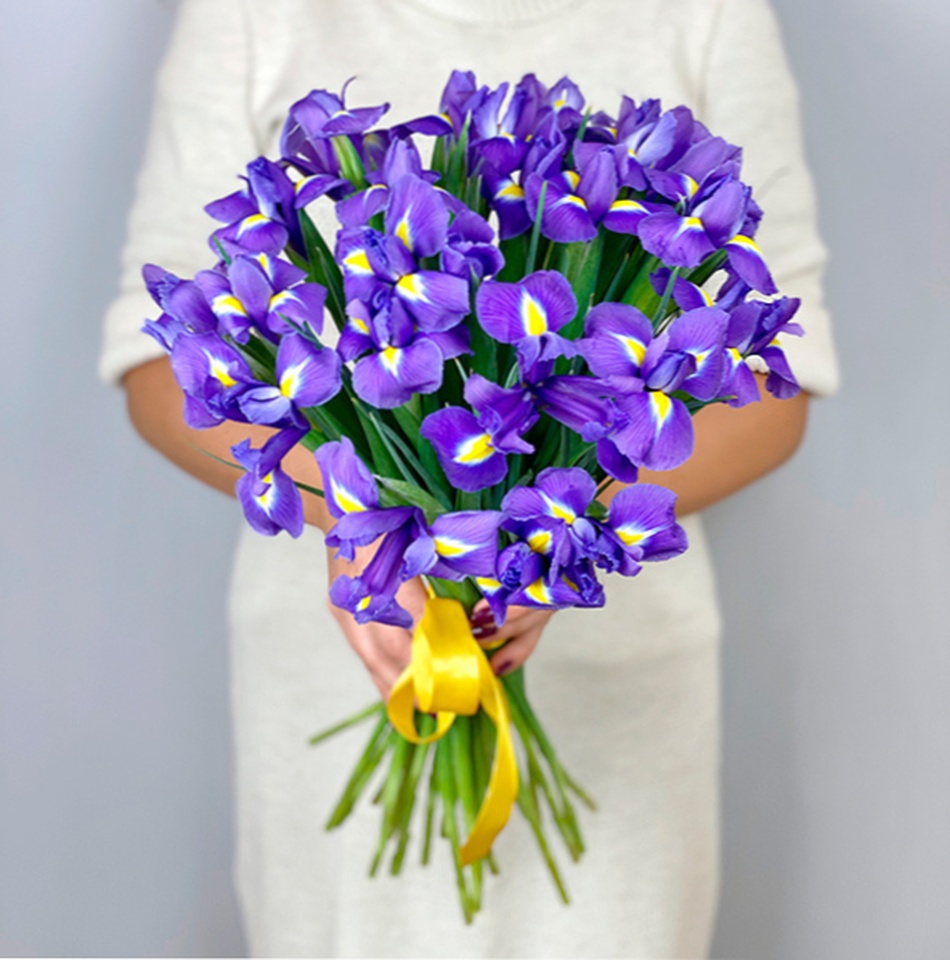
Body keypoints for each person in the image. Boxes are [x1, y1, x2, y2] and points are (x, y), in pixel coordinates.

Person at [101, 0, 840, 955]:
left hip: (622, 690)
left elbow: (780, 380)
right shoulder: (249, 13)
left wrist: (556, 535)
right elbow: (162, 356)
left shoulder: (709, 13)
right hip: (341, 658)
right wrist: (365, 520)